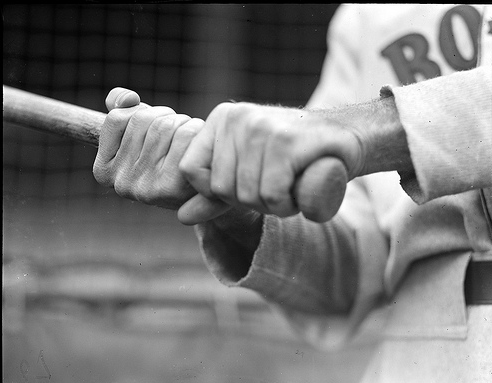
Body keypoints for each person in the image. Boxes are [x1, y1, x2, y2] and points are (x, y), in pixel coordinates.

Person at [93, 4, 492, 382]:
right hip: (423, 358)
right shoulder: (367, 15)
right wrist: (238, 206)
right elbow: (352, 265)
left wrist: (364, 129)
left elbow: (342, 132)